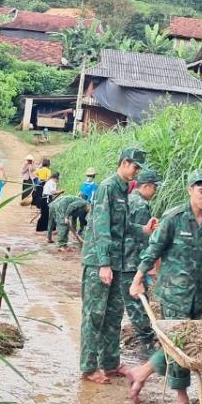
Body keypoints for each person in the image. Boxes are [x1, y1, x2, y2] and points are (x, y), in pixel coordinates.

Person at [126, 168, 202, 404]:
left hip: (198, 292)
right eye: (201, 191)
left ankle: (142, 372)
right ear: (190, 191)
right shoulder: (174, 217)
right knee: (180, 344)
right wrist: (138, 278)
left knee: (185, 346)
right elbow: (153, 249)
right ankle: (181, 400)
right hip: (173, 292)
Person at [78, 145, 146, 384]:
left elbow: (123, 226)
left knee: (114, 314)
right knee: (94, 315)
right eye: (135, 167)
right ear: (124, 163)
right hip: (100, 262)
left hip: (115, 262)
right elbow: (101, 228)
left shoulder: (122, 190)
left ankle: (110, 363)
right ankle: (88, 367)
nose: (137, 172)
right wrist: (104, 263)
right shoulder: (107, 188)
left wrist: (144, 230)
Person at [122, 166, 161, 351]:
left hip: (123, 256)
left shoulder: (129, 199)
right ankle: (146, 344)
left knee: (131, 299)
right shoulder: (141, 205)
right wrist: (149, 265)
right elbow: (143, 238)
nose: (155, 191)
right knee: (137, 301)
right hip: (131, 259)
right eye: (154, 187)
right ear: (146, 186)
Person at [40, 169, 60, 236]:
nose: (58, 181)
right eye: (58, 179)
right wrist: (60, 191)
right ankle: (51, 230)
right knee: (50, 214)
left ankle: (49, 230)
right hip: (47, 199)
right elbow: (53, 192)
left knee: (47, 214)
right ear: (55, 178)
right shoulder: (52, 182)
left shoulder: (49, 182)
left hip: (45, 199)